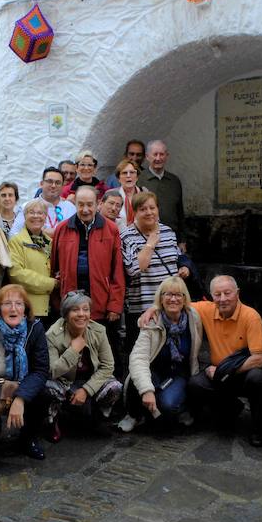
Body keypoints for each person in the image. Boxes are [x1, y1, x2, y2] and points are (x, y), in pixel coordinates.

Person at [139, 275, 262, 446]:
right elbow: (176, 302)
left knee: (258, 378)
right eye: (217, 294)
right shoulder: (207, 309)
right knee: (195, 384)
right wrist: (152, 309)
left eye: (227, 293)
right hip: (219, 374)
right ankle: (230, 407)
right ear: (212, 296)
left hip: (242, 372)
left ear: (237, 293)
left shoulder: (251, 316)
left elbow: (260, 360)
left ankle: (258, 428)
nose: (222, 299)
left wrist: (223, 371)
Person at [51, 186, 125, 374]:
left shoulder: (111, 229)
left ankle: (107, 391)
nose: (85, 210)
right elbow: (54, 267)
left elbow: (117, 270)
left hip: (101, 301)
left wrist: (115, 305)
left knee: (105, 354)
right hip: (72, 301)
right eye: (81, 205)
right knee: (74, 353)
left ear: (98, 204)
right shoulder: (62, 229)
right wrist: (57, 300)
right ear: (74, 205)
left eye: (90, 205)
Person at [0, 284, 50, 460]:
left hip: (22, 384)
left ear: (25, 308)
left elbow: (41, 370)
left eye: (19, 304)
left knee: (44, 394)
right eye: (7, 303)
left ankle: (28, 439)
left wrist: (20, 398)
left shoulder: (35, 329)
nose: (13, 308)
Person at [119, 276, 201, 432]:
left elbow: (215, 304)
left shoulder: (193, 317)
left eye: (178, 295)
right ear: (161, 298)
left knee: (168, 406)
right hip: (155, 371)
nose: (173, 299)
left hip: (179, 374)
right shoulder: (152, 321)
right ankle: (134, 414)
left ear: (185, 299)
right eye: (168, 294)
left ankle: (180, 409)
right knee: (138, 382)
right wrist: (146, 390)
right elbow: (138, 358)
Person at [44, 291, 122, 441]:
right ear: (66, 314)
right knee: (48, 389)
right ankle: (53, 420)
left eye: (85, 309)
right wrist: (73, 350)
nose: (81, 314)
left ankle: (96, 418)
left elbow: (108, 365)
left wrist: (86, 390)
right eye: (75, 310)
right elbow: (52, 370)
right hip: (64, 381)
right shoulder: (52, 335)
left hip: (89, 379)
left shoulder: (99, 331)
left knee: (115, 387)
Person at [120, 191, 189, 353]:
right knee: (142, 354)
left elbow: (175, 259)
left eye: (152, 208)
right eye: (143, 209)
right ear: (135, 212)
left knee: (169, 352)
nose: (149, 212)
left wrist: (182, 268)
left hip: (169, 305)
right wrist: (150, 244)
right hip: (141, 306)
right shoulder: (126, 236)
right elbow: (133, 269)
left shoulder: (168, 232)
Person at [9, 198, 58, 328]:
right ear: (24, 216)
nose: (36, 216)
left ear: (45, 217)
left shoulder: (50, 242)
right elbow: (17, 274)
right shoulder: (16, 241)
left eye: (40, 213)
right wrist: (52, 283)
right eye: (31, 212)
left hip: (51, 307)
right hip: (29, 308)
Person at [139, 140, 185, 247]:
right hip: (146, 238)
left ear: (167, 156)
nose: (158, 158)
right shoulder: (139, 180)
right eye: (155, 154)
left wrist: (182, 240)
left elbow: (180, 212)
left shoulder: (174, 181)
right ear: (147, 156)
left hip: (172, 238)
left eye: (162, 154)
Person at [11, 167, 76, 236]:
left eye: (58, 183)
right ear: (41, 184)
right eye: (50, 181)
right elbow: (13, 234)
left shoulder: (71, 208)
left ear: (62, 186)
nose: (53, 186)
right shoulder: (27, 206)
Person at [114, 159, 148, 229]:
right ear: (118, 178)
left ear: (137, 177)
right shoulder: (112, 195)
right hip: (119, 237)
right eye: (124, 173)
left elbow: (155, 218)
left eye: (132, 172)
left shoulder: (145, 194)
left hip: (142, 237)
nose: (128, 176)